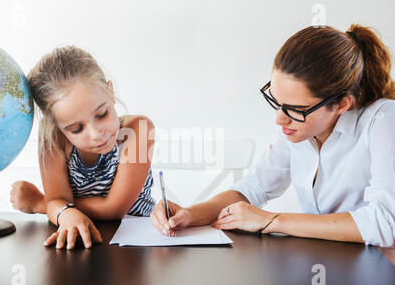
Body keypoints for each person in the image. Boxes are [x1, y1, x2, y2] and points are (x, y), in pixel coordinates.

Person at [150, 24, 395, 248]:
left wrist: (271, 220)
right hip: (328, 262)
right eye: (277, 102)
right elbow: (255, 187)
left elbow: (385, 223)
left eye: (296, 109)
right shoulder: (301, 129)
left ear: (342, 104)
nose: (279, 118)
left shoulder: (383, 120)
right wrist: (192, 213)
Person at [10, 46, 155, 249]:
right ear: (58, 127)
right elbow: (59, 200)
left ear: (110, 92)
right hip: (83, 241)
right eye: (77, 129)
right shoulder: (53, 139)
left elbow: (114, 209)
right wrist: (59, 206)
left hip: (141, 242)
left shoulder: (138, 129)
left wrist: (43, 204)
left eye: (102, 114)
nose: (97, 134)